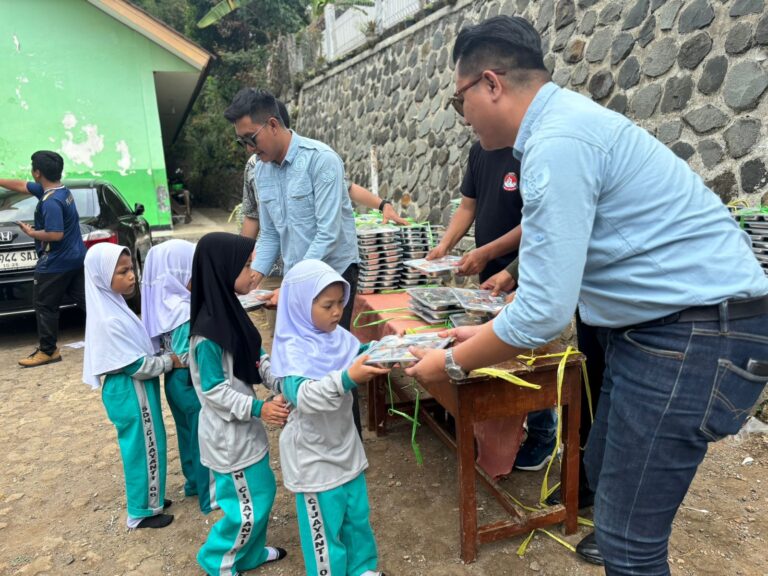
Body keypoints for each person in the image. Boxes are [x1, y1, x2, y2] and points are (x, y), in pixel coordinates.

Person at [406, 15, 768, 575]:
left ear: (490, 84)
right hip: (670, 331)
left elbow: (542, 315)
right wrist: (478, 332)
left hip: (692, 334)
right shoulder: (564, 129)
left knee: (629, 545)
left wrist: (448, 363)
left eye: (460, 102)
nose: (465, 118)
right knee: (601, 474)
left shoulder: (558, 142)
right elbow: (558, 261)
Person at [225, 88, 365, 435]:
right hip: (297, 280)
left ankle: (348, 436)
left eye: (250, 139)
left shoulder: (321, 160)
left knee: (335, 354)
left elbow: (328, 233)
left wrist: (290, 287)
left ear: (272, 124)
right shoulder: (261, 170)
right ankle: (310, 432)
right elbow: (270, 234)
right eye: (242, 142)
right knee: (298, 353)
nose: (249, 149)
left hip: (333, 274)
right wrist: (252, 276)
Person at [428, 143, 557, 471]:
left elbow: (539, 222)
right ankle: (506, 432)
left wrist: (498, 260)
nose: (469, 120)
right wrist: (444, 246)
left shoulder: (531, 150)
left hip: (526, 270)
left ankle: (544, 434)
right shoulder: (478, 151)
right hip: (491, 277)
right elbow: (468, 208)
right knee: (500, 354)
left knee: (532, 354)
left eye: (468, 105)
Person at [265, 259, 389, 576]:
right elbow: (305, 396)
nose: (337, 311)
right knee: (325, 527)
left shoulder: (337, 338)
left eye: (340, 303)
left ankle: (363, 568)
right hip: (314, 459)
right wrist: (347, 378)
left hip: (345, 447)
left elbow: (356, 352)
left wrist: (386, 349)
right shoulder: (293, 351)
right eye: (327, 305)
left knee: (356, 515)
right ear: (299, 307)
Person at [189, 232, 290, 575]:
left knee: (262, 491)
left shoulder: (232, 314)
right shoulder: (206, 336)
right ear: (222, 270)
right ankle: (218, 560)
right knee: (246, 506)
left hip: (245, 432)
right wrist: (261, 407)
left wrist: (282, 381)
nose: (253, 272)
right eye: (246, 265)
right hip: (228, 439)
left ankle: (250, 554)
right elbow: (214, 391)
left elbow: (257, 358)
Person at [82, 243, 179, 529]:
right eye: (122, 272)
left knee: (151, 441)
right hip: (130, 389)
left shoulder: (115, 307)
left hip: (131, 390)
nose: (131, 276)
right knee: (143, 445)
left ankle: (152, 497)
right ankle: (141, 512)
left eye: (131, 269)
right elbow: (138, 366)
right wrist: (170, 361)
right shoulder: (110, 319)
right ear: (101, 276)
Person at [239, 98, 407, 241]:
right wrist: (244, 260)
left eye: (252, 139)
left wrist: (383, 205)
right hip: (274, 265)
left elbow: (346, 188)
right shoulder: (255, 167)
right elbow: (252, 215)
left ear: (275, 127)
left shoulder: (315, 159)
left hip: (313, 260)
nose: (249, 148)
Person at [141, 239, 215, 514]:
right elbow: (188, 356)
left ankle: (193, 483)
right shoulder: (185, 310)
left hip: (173, 384)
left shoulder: (162, 305)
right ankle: (211, 497)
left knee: (186, 433)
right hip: (190, 382)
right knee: (202, 436)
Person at [0, 151, 87, 368]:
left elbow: (55, 234)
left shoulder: (50, 202)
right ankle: (121, 332)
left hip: (55, 263)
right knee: (89, 301)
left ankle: (48, 350)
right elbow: (21, 185)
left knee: (44, 305)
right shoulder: (60, 190)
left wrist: (32, 233)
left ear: (37, 173)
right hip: (76, 258)